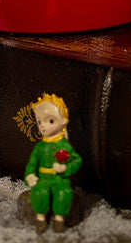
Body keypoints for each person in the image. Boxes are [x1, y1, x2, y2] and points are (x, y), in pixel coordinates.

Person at [24, 93, 82, 233]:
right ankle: (40, 219)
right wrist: (30, 175)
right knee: (39, 193)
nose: (43, 126)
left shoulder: (64, 145)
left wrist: (65, 168)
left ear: (63, 121)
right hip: (43, 178)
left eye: (50, 121)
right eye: (39, 122)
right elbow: (32, 164)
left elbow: (76, 160)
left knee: (63, 193)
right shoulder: (40, 147)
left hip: (59, 179)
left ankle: (59, 220)